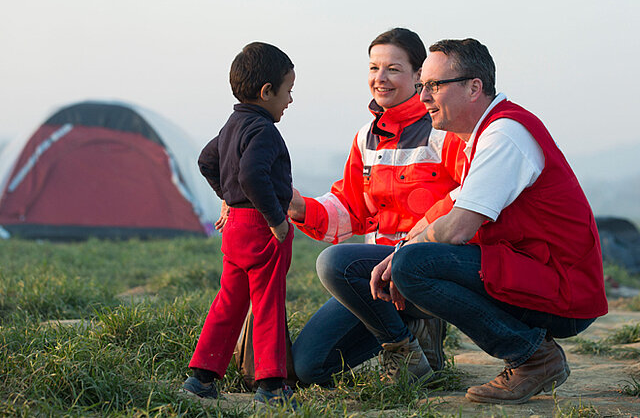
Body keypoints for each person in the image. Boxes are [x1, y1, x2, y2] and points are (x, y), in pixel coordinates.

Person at [369, 38, 608, 404]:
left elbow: (459, 226)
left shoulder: (505, 133)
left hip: (564, 289)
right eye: (421, 87)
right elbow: (444, 210)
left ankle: (533, 358)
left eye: (434, 86)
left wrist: (403, 258)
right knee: (396, 262)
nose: (423, 98)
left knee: (414, 267)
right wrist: (399, 251)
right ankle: (529, 352)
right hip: (533, 273)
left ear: (473, 87)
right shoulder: (479, 138)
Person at [288, 28, 466, 385]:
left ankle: (405, 343)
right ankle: (409, 335)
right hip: (373, 279)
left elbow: (471, 196)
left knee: (333, 263)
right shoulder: (364, 138)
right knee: (307, 369)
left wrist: (418, 243)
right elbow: (349, 207)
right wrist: (295, 204)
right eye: (373, 68)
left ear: (419, 76)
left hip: (428, 268)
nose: (380, 78)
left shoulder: (445, 132)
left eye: (393, 69)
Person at [182, 42, 298, 409]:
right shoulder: (264, 131)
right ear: (267, 92)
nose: (290, 101)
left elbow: (206, 161)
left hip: (235, 229)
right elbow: (252, 175)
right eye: (288, 91)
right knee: (268, 303)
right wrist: (276, 220)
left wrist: (227, 199)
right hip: (262, 229)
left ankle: (202, 377)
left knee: (229, 302)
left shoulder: (232, 125)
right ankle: (271, 386)